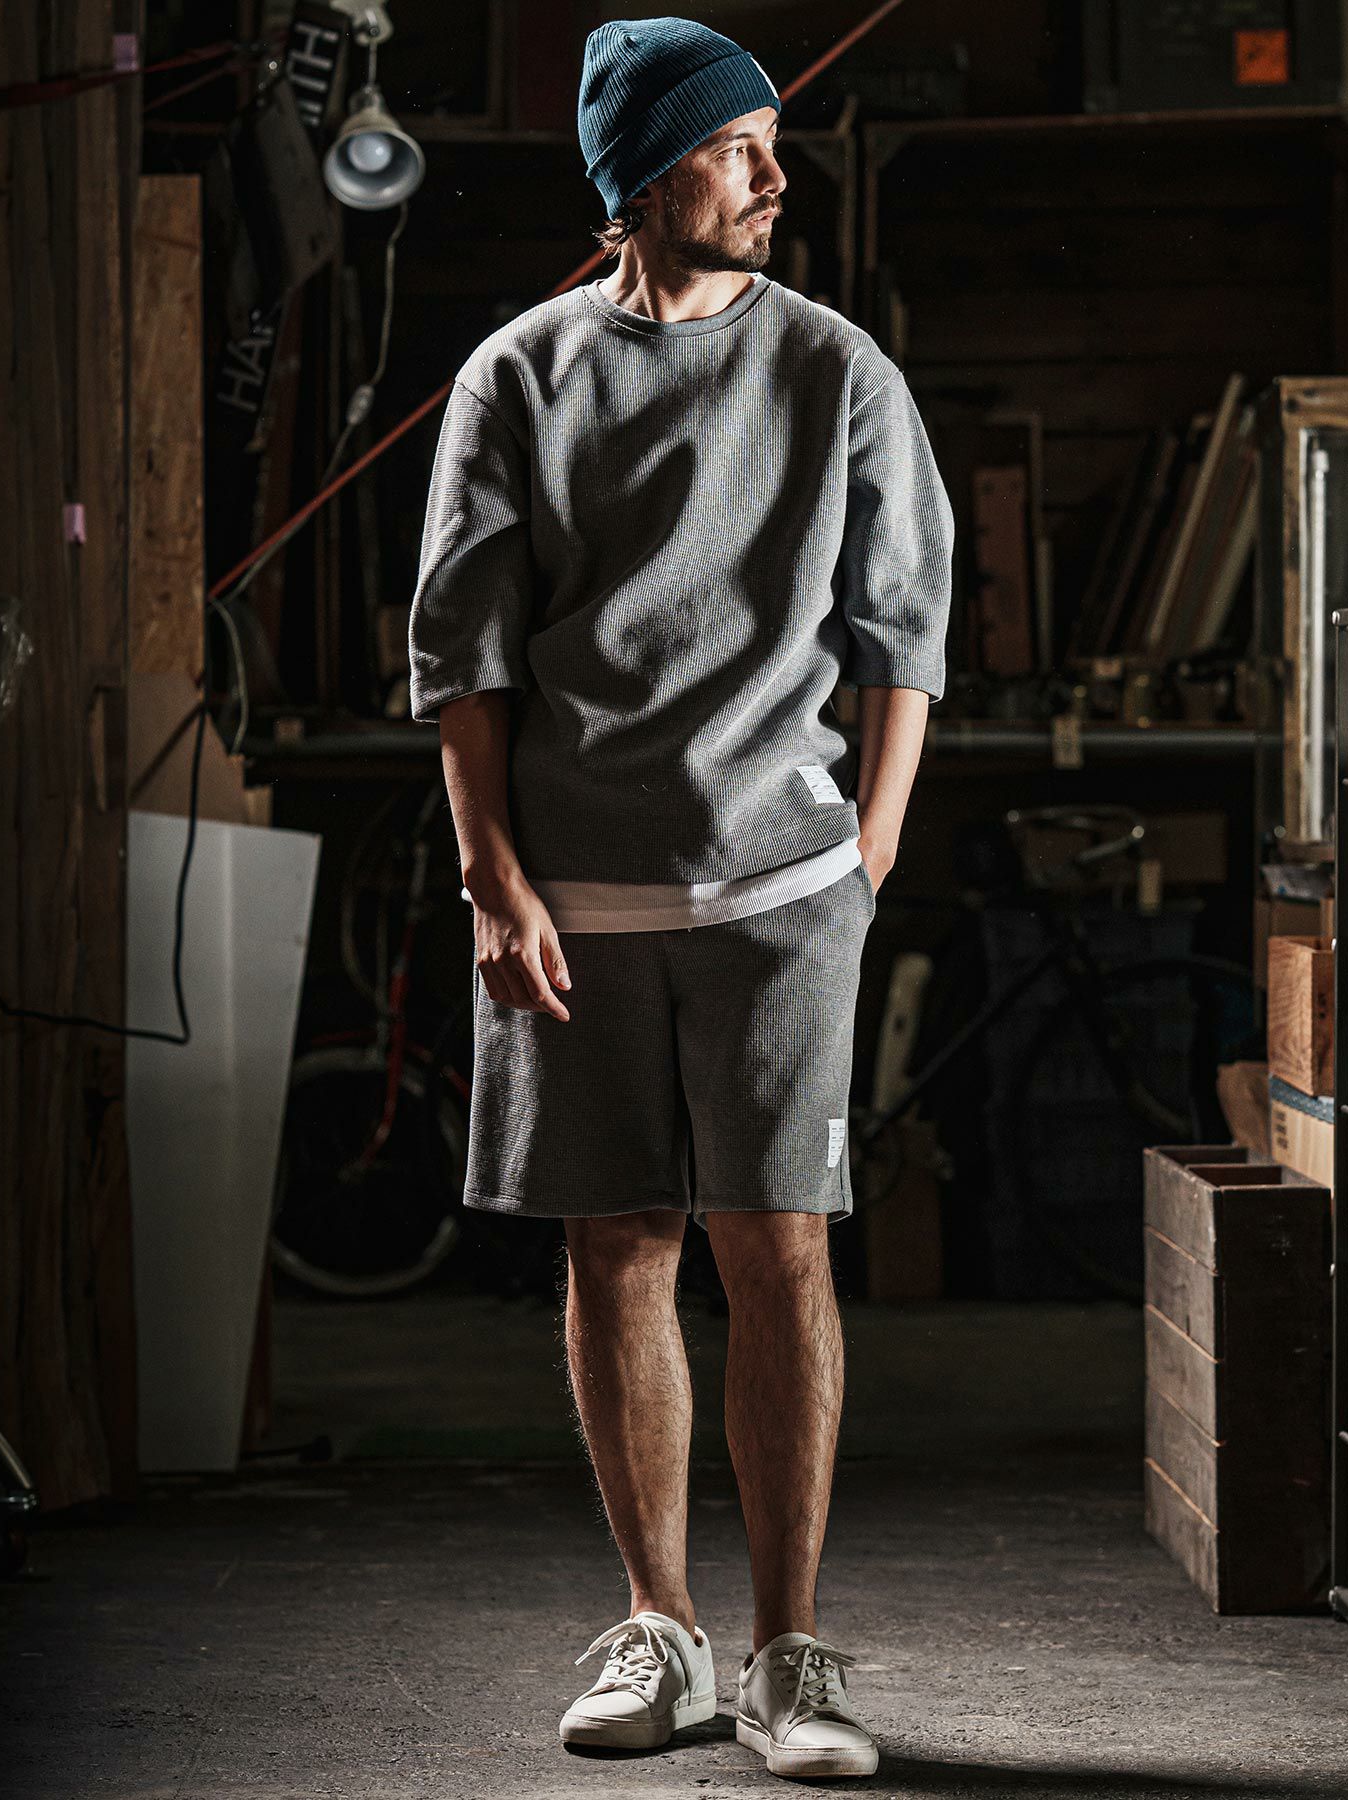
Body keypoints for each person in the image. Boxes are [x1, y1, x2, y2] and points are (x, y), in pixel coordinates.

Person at [408, 15, 953, 1783]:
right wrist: (492, 878)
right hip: (574, 898)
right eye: (734, 146)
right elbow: (465, 656)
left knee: (778, 1250)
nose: (774, 174)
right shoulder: (519, 376)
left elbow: (905, 636)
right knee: (616, 1249)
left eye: (769, 141)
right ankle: (666, 1636)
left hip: (783, 888)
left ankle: (791, 1657)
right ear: (644, 177)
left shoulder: (838, 371)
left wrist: (867, 852)